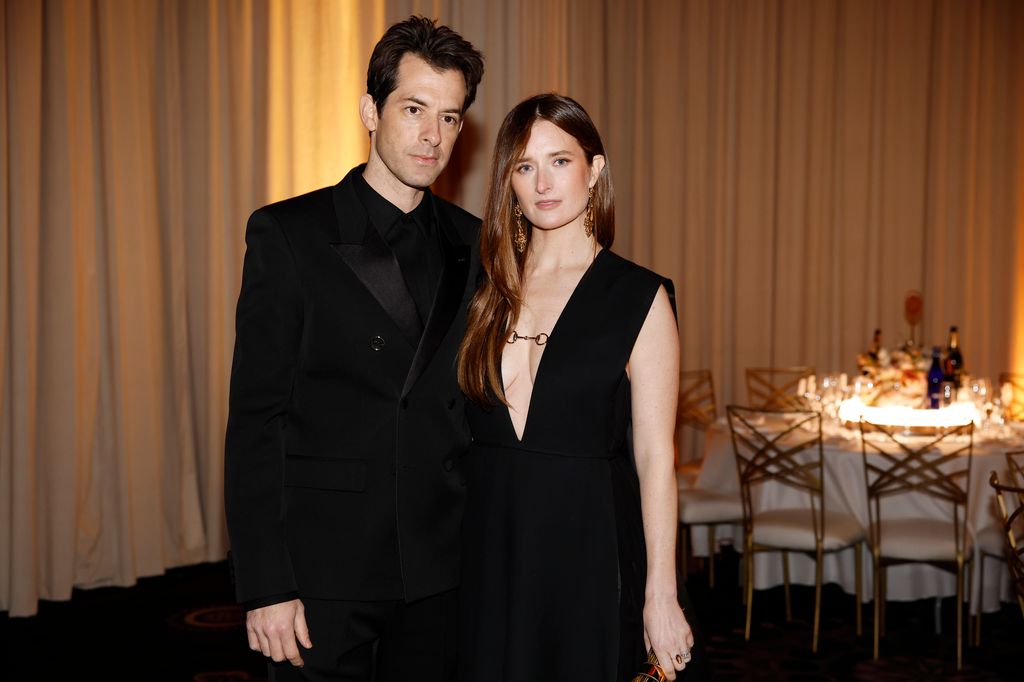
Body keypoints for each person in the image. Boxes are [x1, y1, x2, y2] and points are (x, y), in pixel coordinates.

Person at [223, 16, 484, 682]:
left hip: (439, 567)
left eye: (451, 119)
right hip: (321, 571)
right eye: (415, 109)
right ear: (371, 110)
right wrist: (265, 585)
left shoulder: (475, 243)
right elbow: (257, 420)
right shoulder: (290, 234)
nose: (433, 136)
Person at [457, 94, 711, 681]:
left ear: (594, 171)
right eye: (524, 166)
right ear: (508, 183)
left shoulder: (639, 298)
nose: (543, 182)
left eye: (560, 161)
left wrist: (661, 594)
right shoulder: (483, 289)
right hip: (490, 549)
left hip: (589, 547)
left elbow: (655, 458)